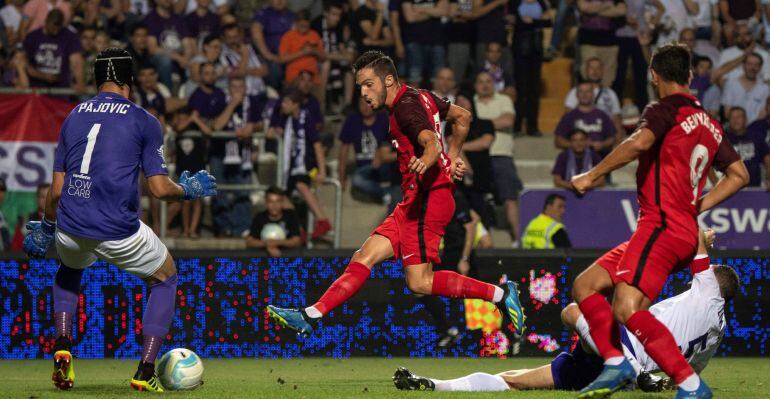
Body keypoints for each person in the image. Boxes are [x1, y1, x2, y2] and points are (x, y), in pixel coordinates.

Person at [267, 51, 525, 339]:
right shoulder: (422, 96)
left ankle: (500, 294)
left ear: (388, 80)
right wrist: (451, 159)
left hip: (428, 200)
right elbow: (462, 117)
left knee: (420, 282)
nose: (363, 93)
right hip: (414, 201)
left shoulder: (405, 108)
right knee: (363, 256)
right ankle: (311, 315)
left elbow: (429, 143)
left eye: (368, 84)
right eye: (360, 86)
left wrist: (433, 158)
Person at [21, 48, 216, 392]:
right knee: (165, 277)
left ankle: (63, 346)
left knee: (69, 270)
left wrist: (48, 227)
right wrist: (186, 190)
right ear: (129, 82)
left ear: (97, 81)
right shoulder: (143, 119)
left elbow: (56, 190)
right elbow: (158, 189)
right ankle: (145, 371)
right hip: (118, 230)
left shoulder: (74, 115)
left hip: (70, 227)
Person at [568, 43, 748, 398]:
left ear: (654, 76)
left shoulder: (666, 109)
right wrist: (699, 204)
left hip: (661, 225)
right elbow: (739, 174)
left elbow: (638, 143)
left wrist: (592, 174)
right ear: (691, 76)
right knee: (585, 285)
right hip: (678, 229)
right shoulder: (710, 124)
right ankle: (617, 362)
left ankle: (691, 385)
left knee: (626, 307)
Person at [392, 231, 740, 393]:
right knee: (516, 381)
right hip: (633, 369)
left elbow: (692, 233)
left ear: (714, 282)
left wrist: (704, 239)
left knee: (574, 309)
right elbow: (681, 376)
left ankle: (627, 367)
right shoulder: (714, 339)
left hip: (630, 347)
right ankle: (434, 385)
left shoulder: (709, 289)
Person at [268, 89, 332, 239]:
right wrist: (273, 130)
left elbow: (317, 145)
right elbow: (271, 130)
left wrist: (322, 171)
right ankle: (298, 228)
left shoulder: (307, 119)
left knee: (301, 185)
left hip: (308, 166)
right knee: (281, 197)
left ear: (295, 105)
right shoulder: (287, 119)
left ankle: (322, 220)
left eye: (286, 102)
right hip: (292, 168)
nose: (282, 105)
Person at [474, 71, 523, 246]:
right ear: (475, 85)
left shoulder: (504, 100)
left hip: (502, 155)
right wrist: (492, 123)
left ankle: (518, 239)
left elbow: (508, 120)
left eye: (488, 81)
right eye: (481, 81)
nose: (485, 85)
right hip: (477, 157)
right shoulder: (470, 101)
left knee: (510, 198)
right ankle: (480, 239)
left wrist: (479, 124)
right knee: (475, 198)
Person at [338, 96, 390, 202]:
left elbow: (394, 143)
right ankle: (386, 193)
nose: (365, 107)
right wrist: (341, 175)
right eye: (362, 104)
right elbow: (344, 150)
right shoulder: (352, 120)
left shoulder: (384, 118)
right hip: (364, 169)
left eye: (368, 103)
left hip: (384, 165)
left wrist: (380, 154)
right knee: (357, 180)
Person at [22, 9, 84, 91]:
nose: (56, 31)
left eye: (58, 27)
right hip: (37, 89)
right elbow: (24, 63)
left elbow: (76, 61)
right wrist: (44, 76)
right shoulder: (33, 37)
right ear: (46, 21)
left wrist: (80, 81)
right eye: (53, 27)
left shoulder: (70, 37)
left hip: (61, 89)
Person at [555, 81, 616, 159]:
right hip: (575, 160)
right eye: (581, 92)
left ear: (593, 94)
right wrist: (578, 145)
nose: (584, 95)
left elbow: (612, 138)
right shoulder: (569, 116)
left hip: (599, 158)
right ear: (577, 95)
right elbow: (558, 141)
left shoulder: (602, 115)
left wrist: (602, 144)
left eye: (588, 92)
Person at [246, 186, 302, 256]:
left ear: (282, 203)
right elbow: (250, 242)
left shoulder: (290, 216)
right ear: (266, 203)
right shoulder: (260, 217)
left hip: (288, 258)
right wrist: (266, 244)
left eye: (278, 201)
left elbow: (296, 241)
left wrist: (276, 243)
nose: (274, 205)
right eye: (271, 202)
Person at [725, 107, 770, 188]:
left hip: (755, 188)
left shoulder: (756, 137)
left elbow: (768, 159)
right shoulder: (723, 141)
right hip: (729, 190)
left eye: (739, 117)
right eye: (732, 118)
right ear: (729, 121)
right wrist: (715, 184)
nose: (736, 120)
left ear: (745, 120)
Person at [720, 52, 770, 124]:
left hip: (755, 130)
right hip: (733, 130)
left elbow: (763, 113)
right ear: (743, 65)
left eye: (756, 65)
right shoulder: (731, 84)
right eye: (749, 64)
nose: (752, 68)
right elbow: (727, 112)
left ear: (760, 67)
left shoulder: (765, 89)